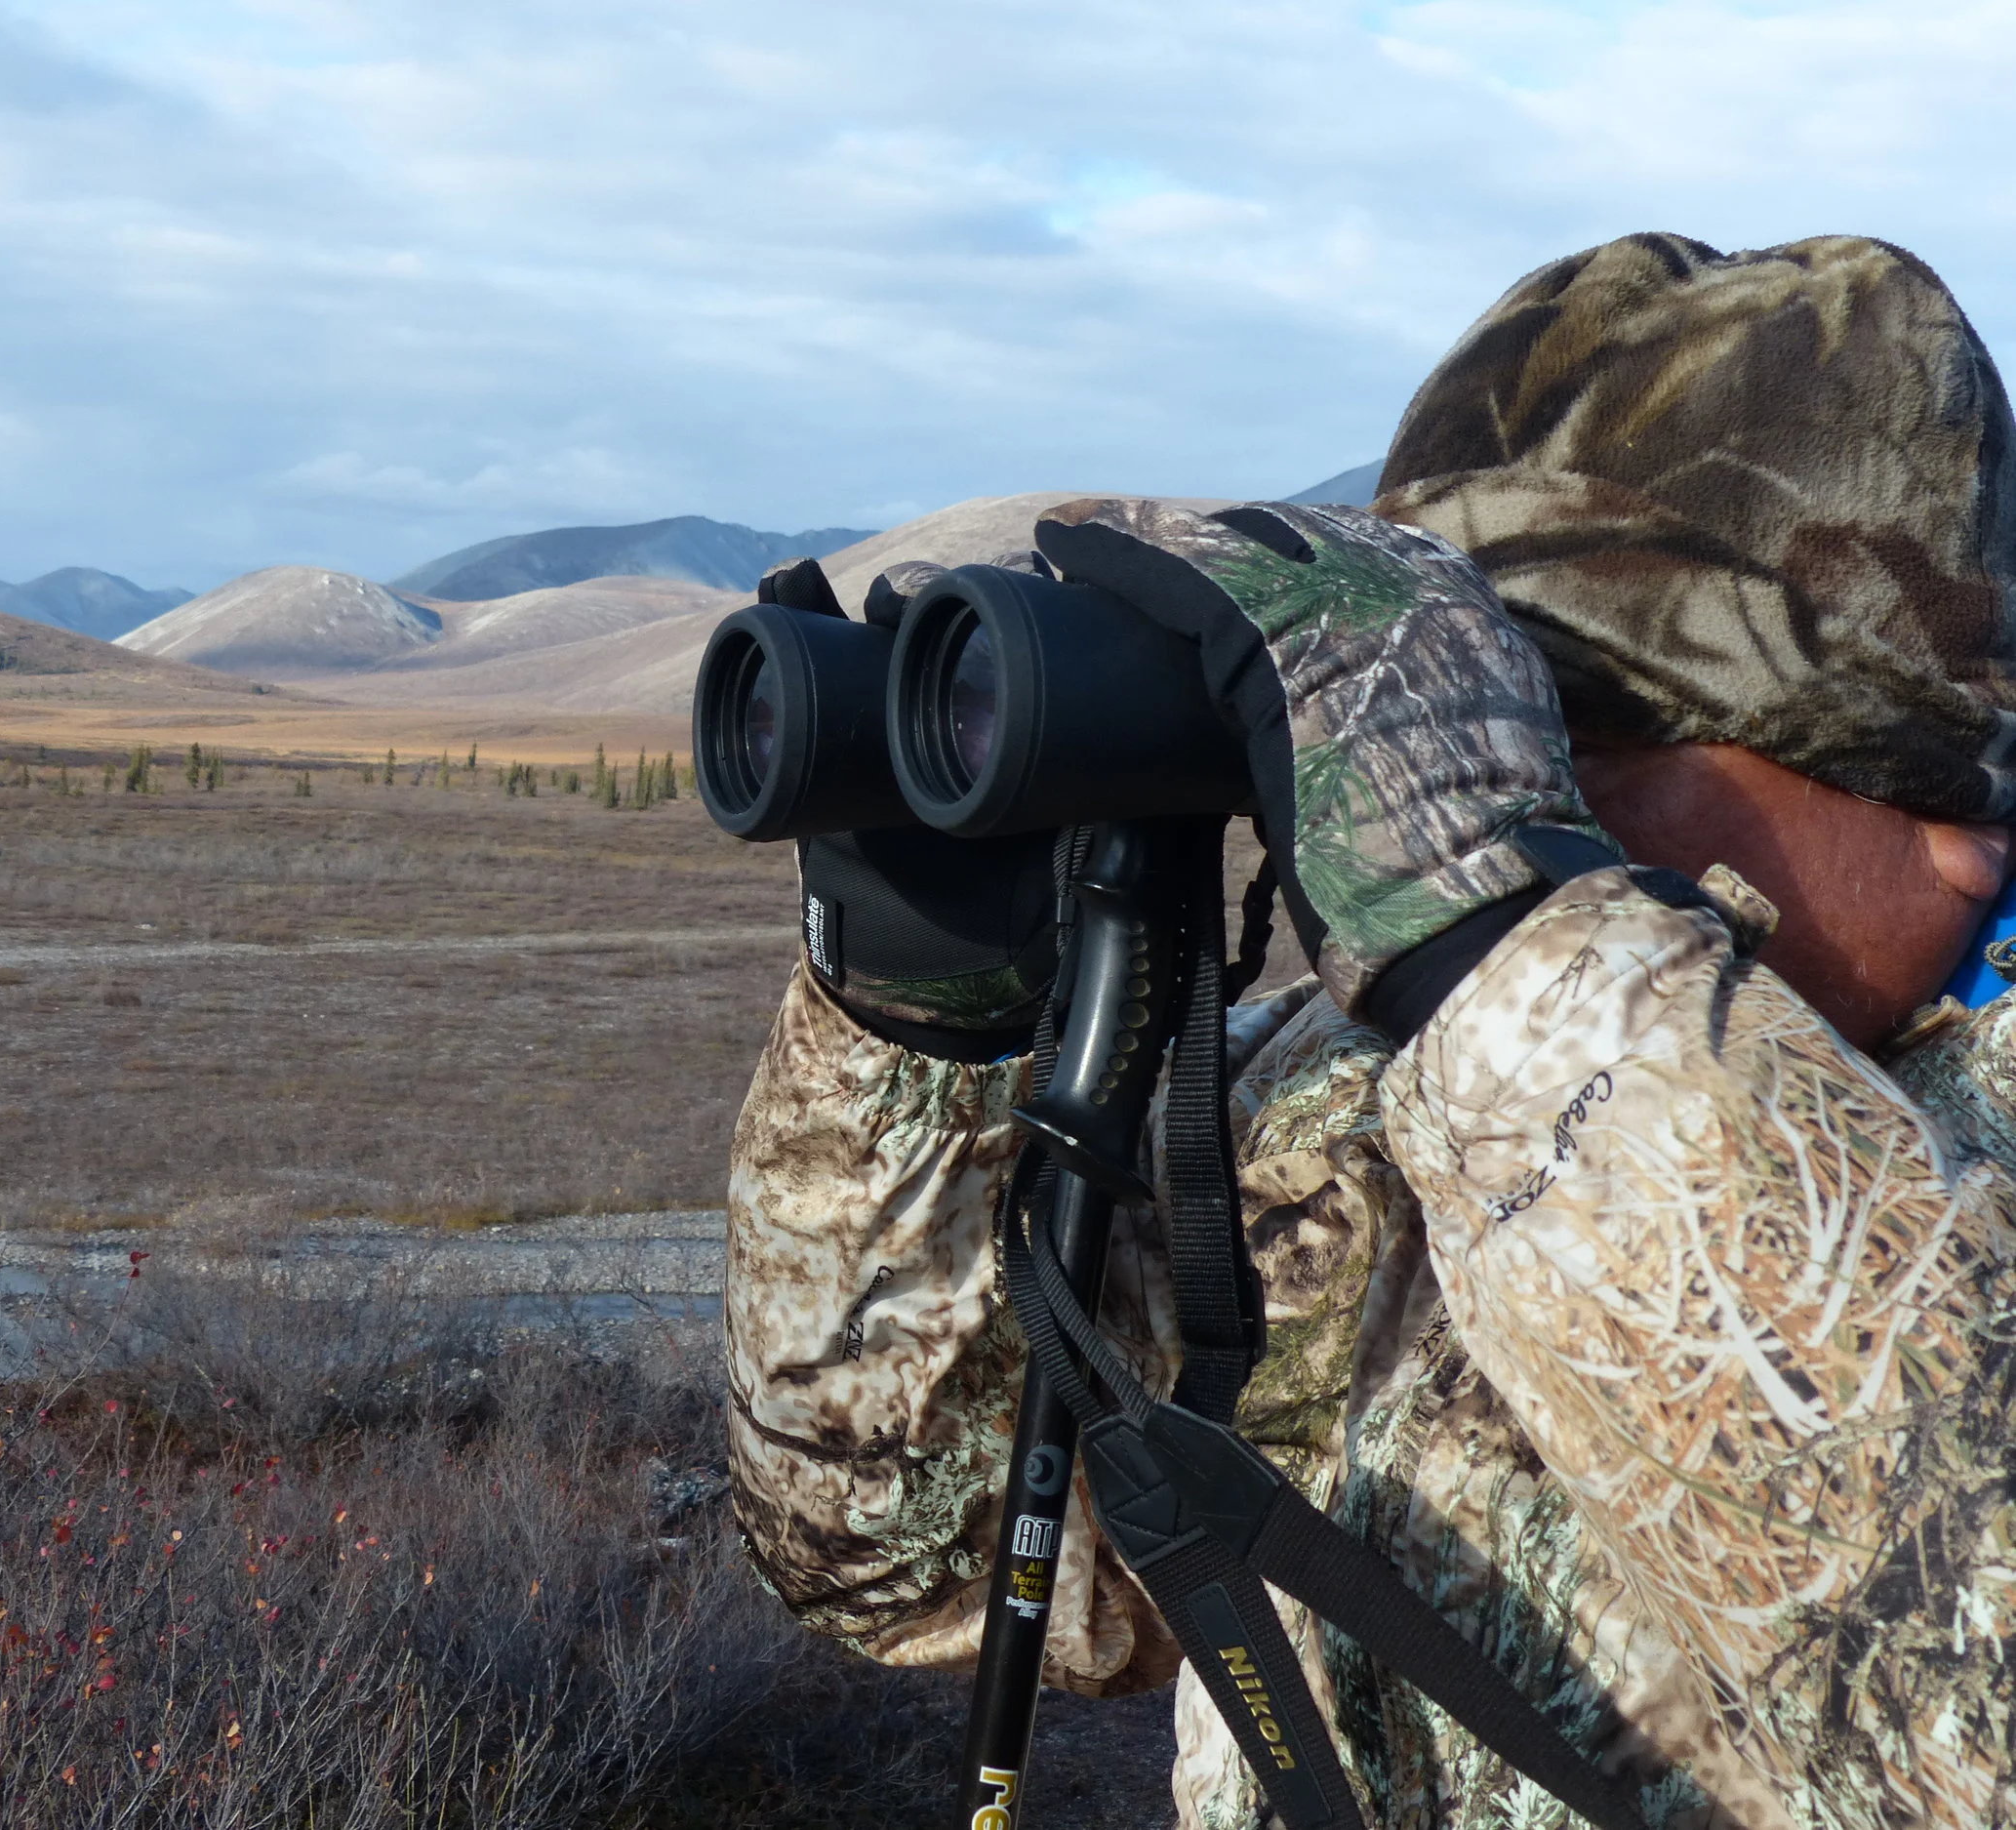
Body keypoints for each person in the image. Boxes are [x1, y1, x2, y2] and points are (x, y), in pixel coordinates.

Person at [722, 233, 2016, 1830]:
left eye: (1563, 729)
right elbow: (898, 1548)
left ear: (1934, 783)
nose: (1497, 788)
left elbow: (1972, 1688)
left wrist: (1494, 923)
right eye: (1450, 718)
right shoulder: (1364, 1100)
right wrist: (914, 1017)